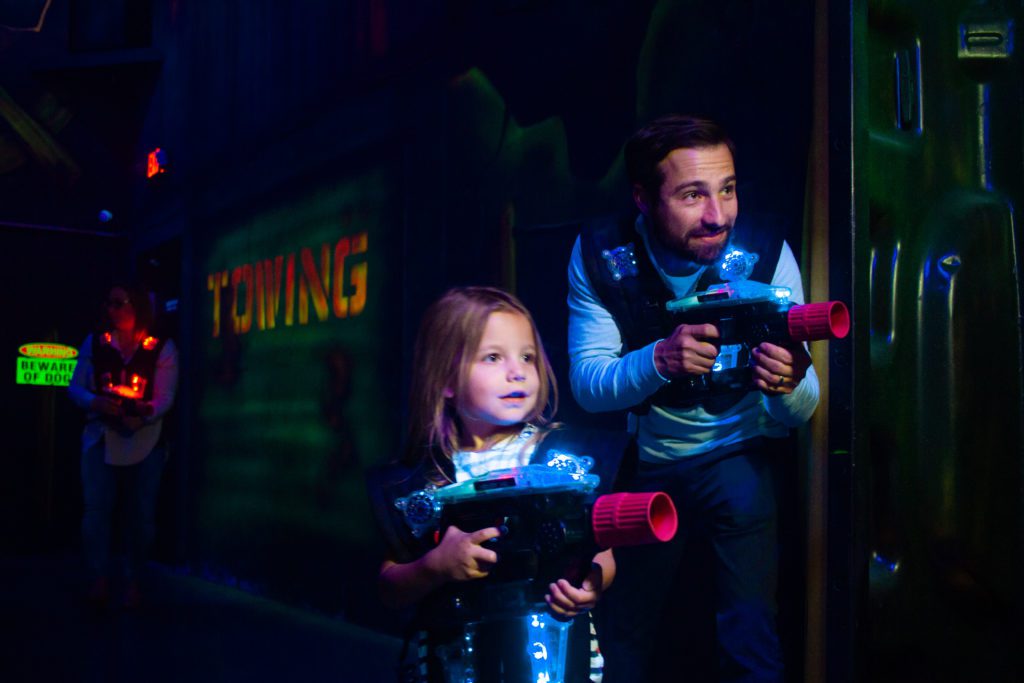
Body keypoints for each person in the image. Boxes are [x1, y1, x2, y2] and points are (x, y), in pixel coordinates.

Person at [566, 114, 820, 682]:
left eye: (727, 189)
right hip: (649, 458)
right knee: (622, 631)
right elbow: (588, 384)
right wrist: (659, 359)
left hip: (738, 449)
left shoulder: (765, 250)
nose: (718, 215)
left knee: (751, 633)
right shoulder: (602, 255)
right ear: (642, 198)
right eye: (692, 194)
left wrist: (786, 384)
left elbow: (806, 407)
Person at [368, 286, 619, 682]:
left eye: (527, 357)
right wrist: (434, 567)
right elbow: (389, 587)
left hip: (553, 656)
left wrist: (591, 582)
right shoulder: (419, 482)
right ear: (446, 379)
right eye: (492, 357)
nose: (517, 371)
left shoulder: (560, 459)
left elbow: (599, 552)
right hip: (455, 661)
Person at [68, 283, 179, 608]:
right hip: (101, 436)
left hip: (145, 439)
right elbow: (75, 388)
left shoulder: (161, 348)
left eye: (119, 303)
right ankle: (98, 578)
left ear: (137, 307)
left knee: (141, 515)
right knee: (96, 511)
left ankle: (134, 579)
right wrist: (96, 403)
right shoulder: (96, 343)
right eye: (109, 303)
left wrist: (143, 415)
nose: (112, 309)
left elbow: (165, 397)